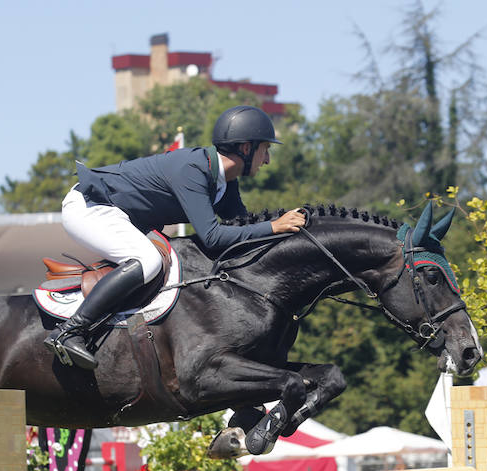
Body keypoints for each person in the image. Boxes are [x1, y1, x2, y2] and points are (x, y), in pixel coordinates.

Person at [44, 105, 307, 370]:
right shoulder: (192, 169)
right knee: (148, 261)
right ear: (246, 149)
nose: (267, 160)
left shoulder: (226, 184)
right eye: (265, 149)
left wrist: (295, 235)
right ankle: (69, 332)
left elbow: (243, 232)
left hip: (122, 215)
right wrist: (274, 227)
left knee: (162, 262)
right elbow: (213, 237)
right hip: (90, 207)